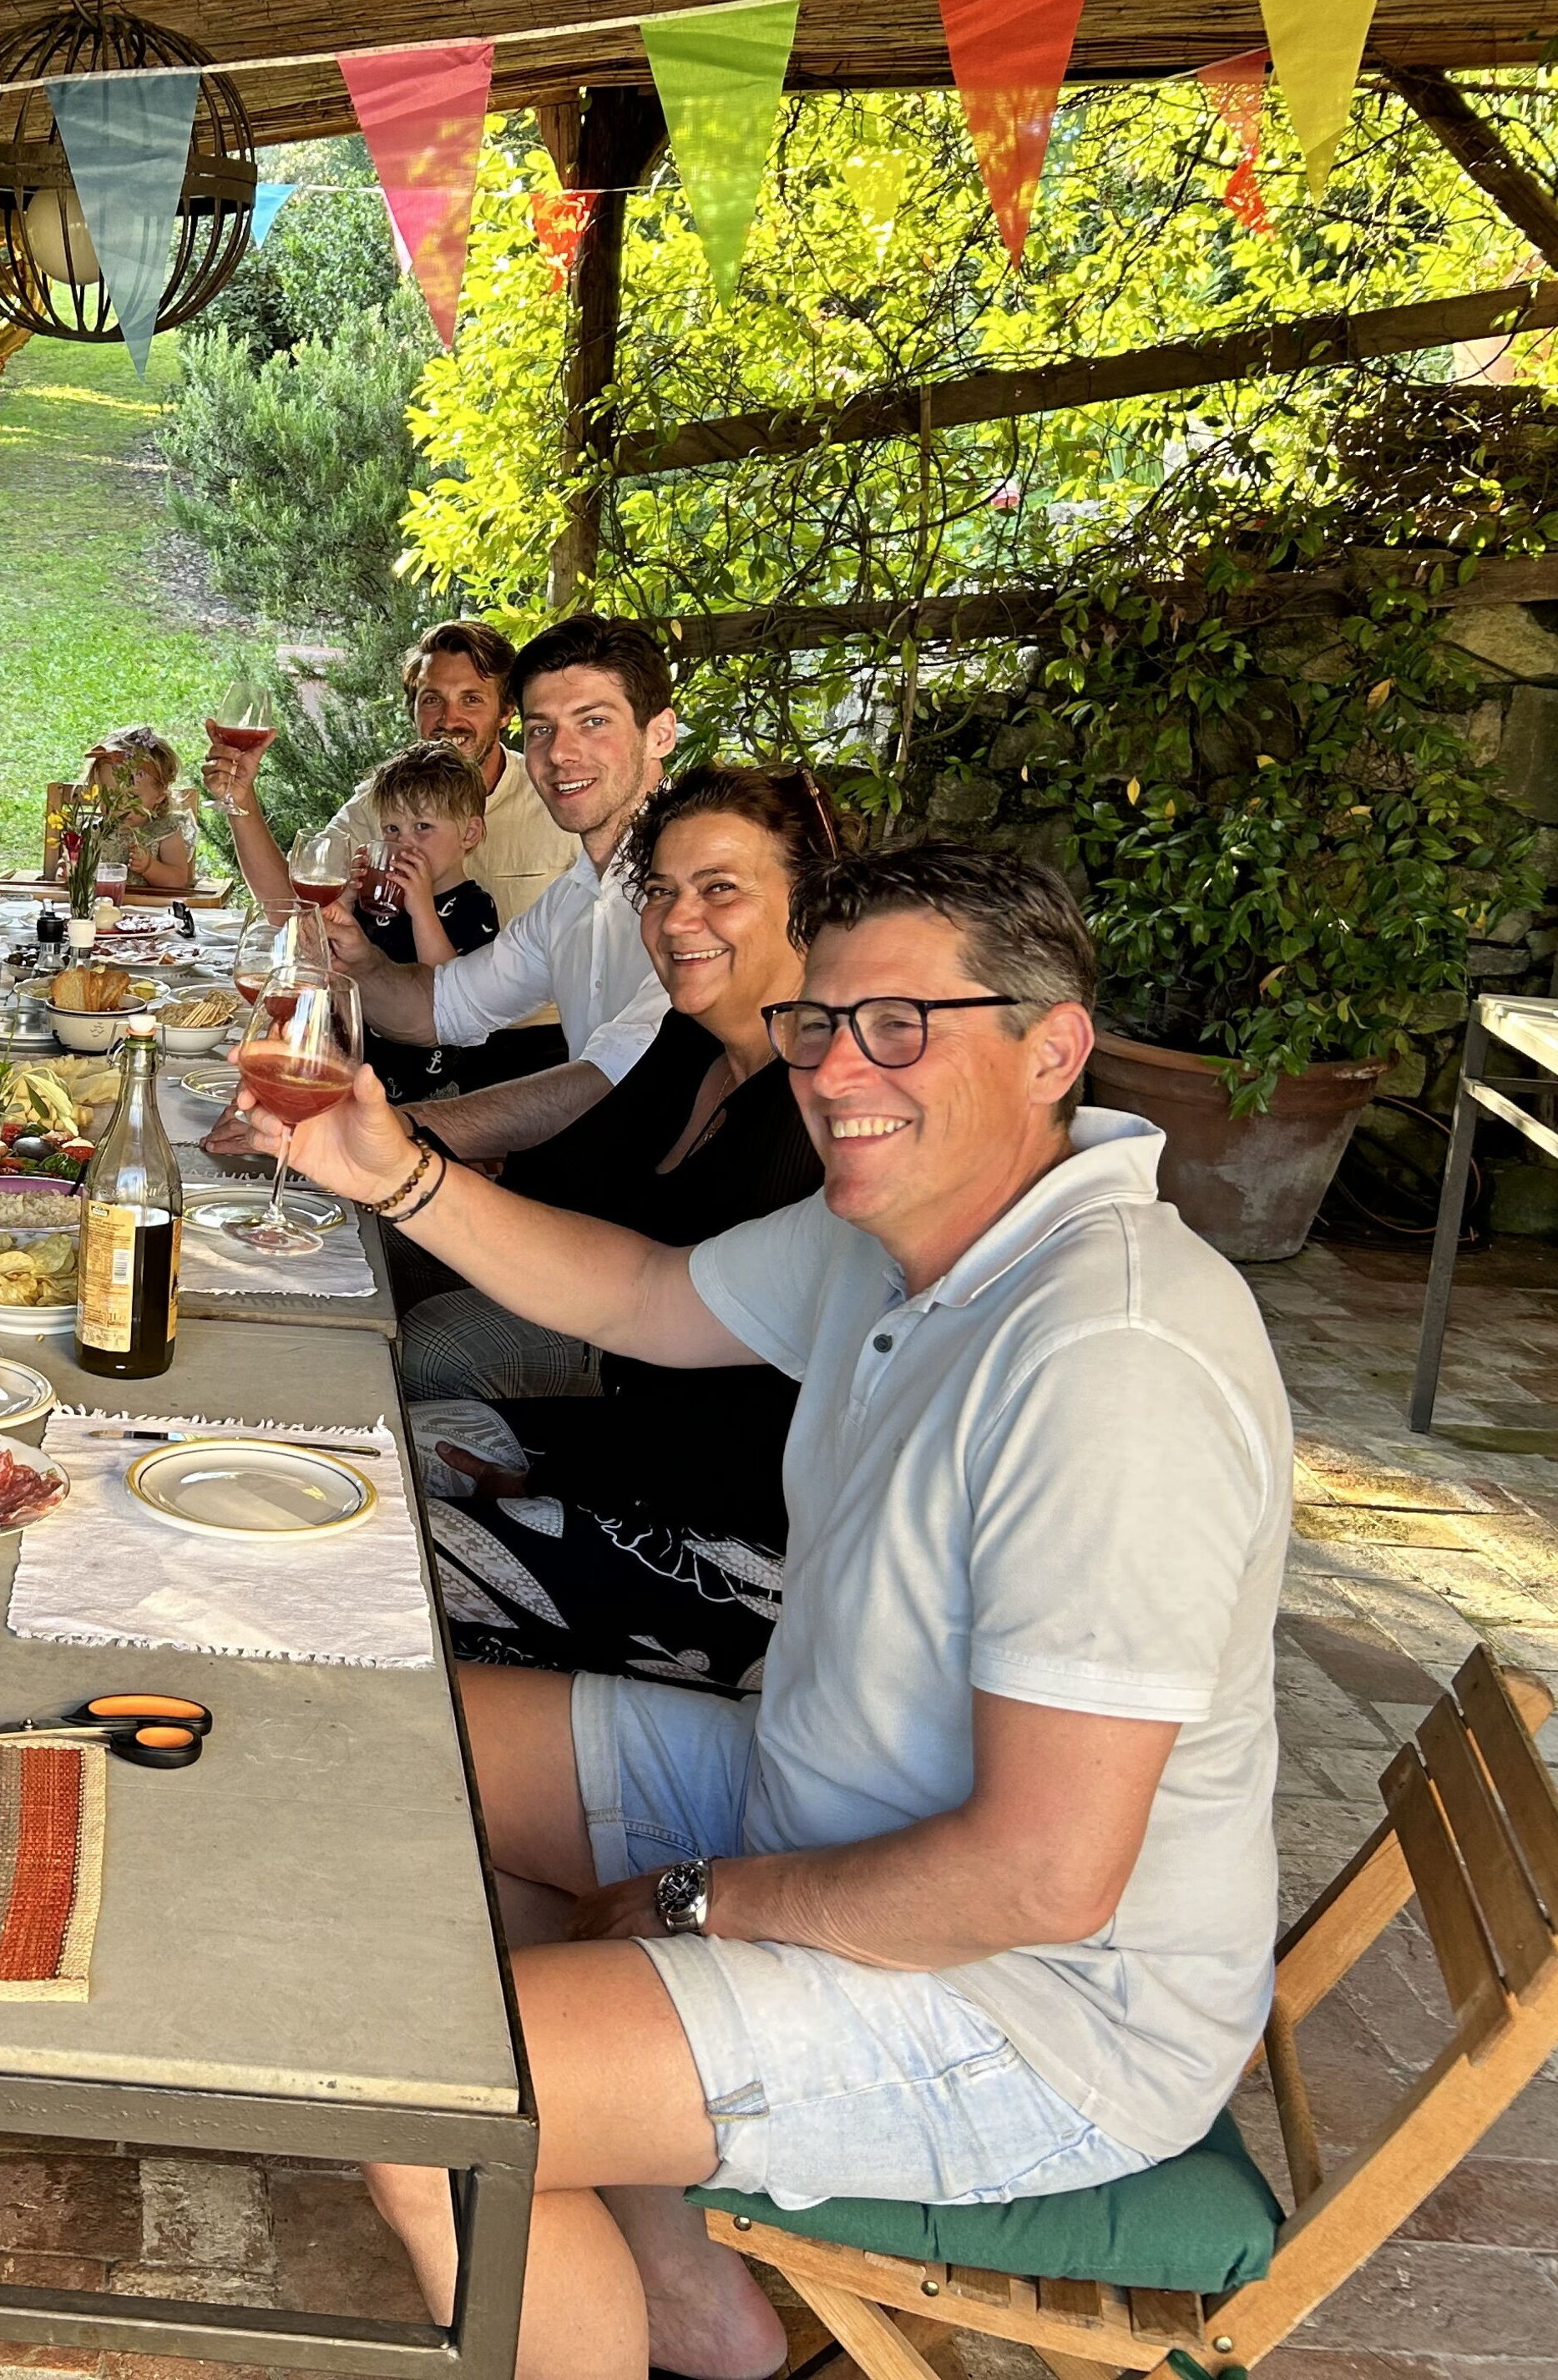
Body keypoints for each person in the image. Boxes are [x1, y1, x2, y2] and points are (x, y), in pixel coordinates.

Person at [266, 843, 1290, 2380]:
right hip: (826, 1802)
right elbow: (638, 1296)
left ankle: (573, 2198)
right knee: (397, 1743)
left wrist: (702, 1899)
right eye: (818, 1023)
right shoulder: (908, 1225)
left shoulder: (1110, 1361)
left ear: (1053, 1047)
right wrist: (395, 1173)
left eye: (902, 1024)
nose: (836, 1070)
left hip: (1036, 2009)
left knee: (429, 2095)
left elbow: (1041, 1876)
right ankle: (697, 2313)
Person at [406, 767, 849, 1694]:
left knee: (386, 1545)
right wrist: (396, 1153)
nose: (678, 919)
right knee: (380, 1447)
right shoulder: (689, 1041)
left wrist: (559, 1488)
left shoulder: (831, 1111)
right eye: (659, 890)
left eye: (719, 889)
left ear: (809, 904)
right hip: (633, 1441)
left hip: (745, 1540)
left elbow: (743, 1425)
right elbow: (573, 1182)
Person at [207, 620, 574, 1084]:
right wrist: (241, 800)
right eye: (432, 699)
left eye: (471, 699)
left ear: (506, 713)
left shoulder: (558, 797)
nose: (449, 718)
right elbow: (293, 910)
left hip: (535, 1043)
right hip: (394, 1038)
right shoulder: (382, 802)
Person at [353, 741, 500, 1101]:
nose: (405, 844)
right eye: (392, 829)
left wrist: (421, 908)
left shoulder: (474, 907)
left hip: (429, 1088)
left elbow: (448, 995)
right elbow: (341, 962)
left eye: (422, 826)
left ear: (469, 834)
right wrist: (344, 897)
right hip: (362, 1074)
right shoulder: (379, 901)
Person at [79, 725, 200, 898]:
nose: (120, 805)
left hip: (150, 910)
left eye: (133, 796)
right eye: (111, 795)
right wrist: (67, 871)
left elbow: (178, 881)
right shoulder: (92, 832)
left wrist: (149, 867)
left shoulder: (166, 831)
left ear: (159, 794)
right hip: (99, 909)